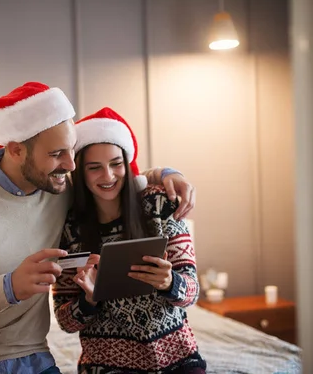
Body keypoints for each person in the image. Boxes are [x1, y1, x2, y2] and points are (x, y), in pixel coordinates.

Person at [0, 82, 196, 374]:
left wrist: (165, 174)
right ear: (15, 150)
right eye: (57, 154)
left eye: (71, 151)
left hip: (33, 356)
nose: (71, 165)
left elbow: (111, 178)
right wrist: (9, 286)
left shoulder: (58, 188)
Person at [53, 107, 205, 373]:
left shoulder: (159, 205)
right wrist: (89, 300)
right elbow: (66, 322)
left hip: (177, 360)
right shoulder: (69, 229)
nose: (108, 176)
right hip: (106, 366)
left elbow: (191, 292)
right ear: (80, 173)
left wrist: (171, 282)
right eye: (94, 168)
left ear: (127, 163)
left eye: (116, 164)